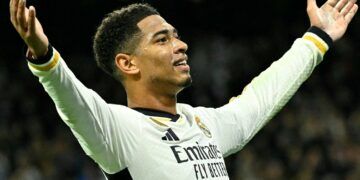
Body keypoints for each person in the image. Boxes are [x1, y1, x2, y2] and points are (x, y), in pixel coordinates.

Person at [9, 0, 358, 179]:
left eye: (176, 35)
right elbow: (72, 99)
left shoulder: (204, 124)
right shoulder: (118, 131)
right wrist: (44, 56)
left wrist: (317, 38)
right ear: (128, 64)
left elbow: (263, 96)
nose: (181, 45)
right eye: (163, 39)